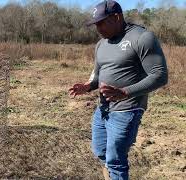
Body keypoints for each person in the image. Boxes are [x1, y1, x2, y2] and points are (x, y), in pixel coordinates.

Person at [69, 1, 168, 180]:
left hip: (128, 109)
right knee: (101, 151)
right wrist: (88, 86)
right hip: (103, 109)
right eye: (95, 24)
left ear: (116, 17)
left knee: (115, 159)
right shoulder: (101, 45)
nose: (98, 28)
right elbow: (98, 76)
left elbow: (159, 75)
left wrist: (125, 92)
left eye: (101, 22)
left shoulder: (142, 38)